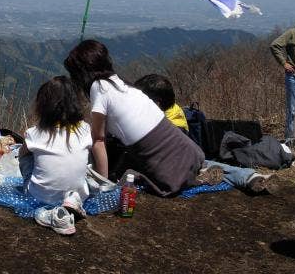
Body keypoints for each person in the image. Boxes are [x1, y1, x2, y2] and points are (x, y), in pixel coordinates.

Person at [64, 39, 208, 197]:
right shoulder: (121, 84)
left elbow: (98, 139)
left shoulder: (98, 87)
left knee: (127, 172)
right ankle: (200, 172)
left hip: (168, 172)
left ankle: (189, 176)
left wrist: (101, 184)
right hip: (191, 151)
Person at [136, 72, 279, 194]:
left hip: (174, 160)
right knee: (206, 164)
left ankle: (200, 177)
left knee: (197, 164)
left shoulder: (169, 118)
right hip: (188, 159)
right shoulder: (166, 109)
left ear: (157, 102)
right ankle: (248, 177)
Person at [19, 76, 92, 235]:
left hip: (40, 197)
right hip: (80, 195)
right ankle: (72, 198)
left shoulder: (34, 133)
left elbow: (22, 155)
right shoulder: (86, 129)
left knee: (27, 157)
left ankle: (39, 193)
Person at [270, 23, 295, 143]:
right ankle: (290, 139)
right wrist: (284, 63)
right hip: (293, 76)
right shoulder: (293, 33)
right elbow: (275, 45)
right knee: (292, 110)